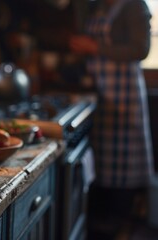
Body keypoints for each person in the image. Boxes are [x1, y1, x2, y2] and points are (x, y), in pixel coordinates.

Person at [69, 0, 154, 239]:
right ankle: (104, 225)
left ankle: (120, 223)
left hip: (125, 97)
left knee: (125, 163)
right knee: (104, 163)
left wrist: (94, 47)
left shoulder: (134, 6)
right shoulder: (99, 7)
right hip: (102, 96)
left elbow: (141, 49)